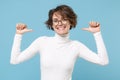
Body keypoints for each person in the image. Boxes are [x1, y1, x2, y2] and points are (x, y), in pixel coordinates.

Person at [10, 5, 109, 80]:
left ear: (71, 22)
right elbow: (15, 60)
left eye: (64, 19)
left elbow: (103, 61)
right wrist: (18, 35)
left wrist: (97, 34)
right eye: (56, 20)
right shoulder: (42, 42)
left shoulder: (76, 46)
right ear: (51, 24)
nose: (60, 23)